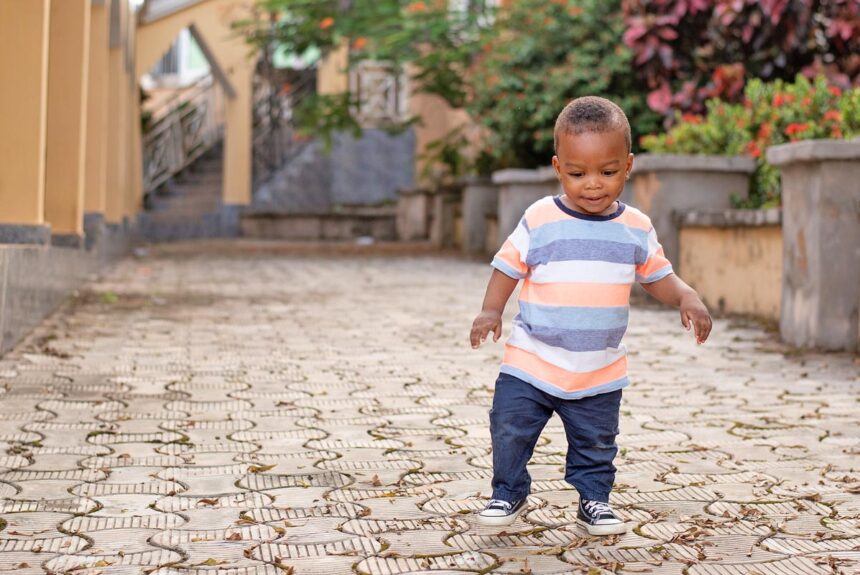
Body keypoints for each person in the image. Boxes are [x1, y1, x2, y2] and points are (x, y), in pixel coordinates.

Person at [469, 96, 712, 536]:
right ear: (559, 167)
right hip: (532, 359)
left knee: (597, 444)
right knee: (509, 428)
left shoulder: (634, 226)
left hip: (598, 368)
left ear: (629, 165)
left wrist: (686, 296)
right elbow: (508, 265)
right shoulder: (541, 218)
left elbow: (656, 276)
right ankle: (508, 489)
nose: (594, 184)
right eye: (578, 174)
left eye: (608, 171)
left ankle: (594, 500)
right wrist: (491, 309)